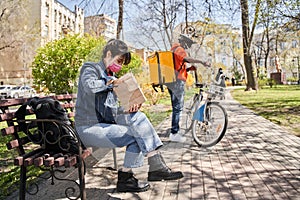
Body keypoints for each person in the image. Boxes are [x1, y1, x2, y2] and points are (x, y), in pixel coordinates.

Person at [75, 39, 183, 193]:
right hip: (88, 127)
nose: (119, 66)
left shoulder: (110, 75)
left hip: (103, 124)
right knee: (136, 135)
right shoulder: (91, 68)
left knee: (139, 117)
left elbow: (110, 111)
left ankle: (153, 164)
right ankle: (129, 176)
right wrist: (111, 83)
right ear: (108, 54)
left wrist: (126, 109)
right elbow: (89, 86)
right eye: (118, 60)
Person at [166, 34, 207, 143]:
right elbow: (186, 59)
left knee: (176, 107)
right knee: (178, 108)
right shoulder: (180, 49)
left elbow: (178, 66)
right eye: (188, 44)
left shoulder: (173, 49)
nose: (189, 46)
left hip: (171, 81)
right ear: (184, 42)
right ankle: (174, 133)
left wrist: (189, 69)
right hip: (177, 82)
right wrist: (201, 61)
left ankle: (174, 131)